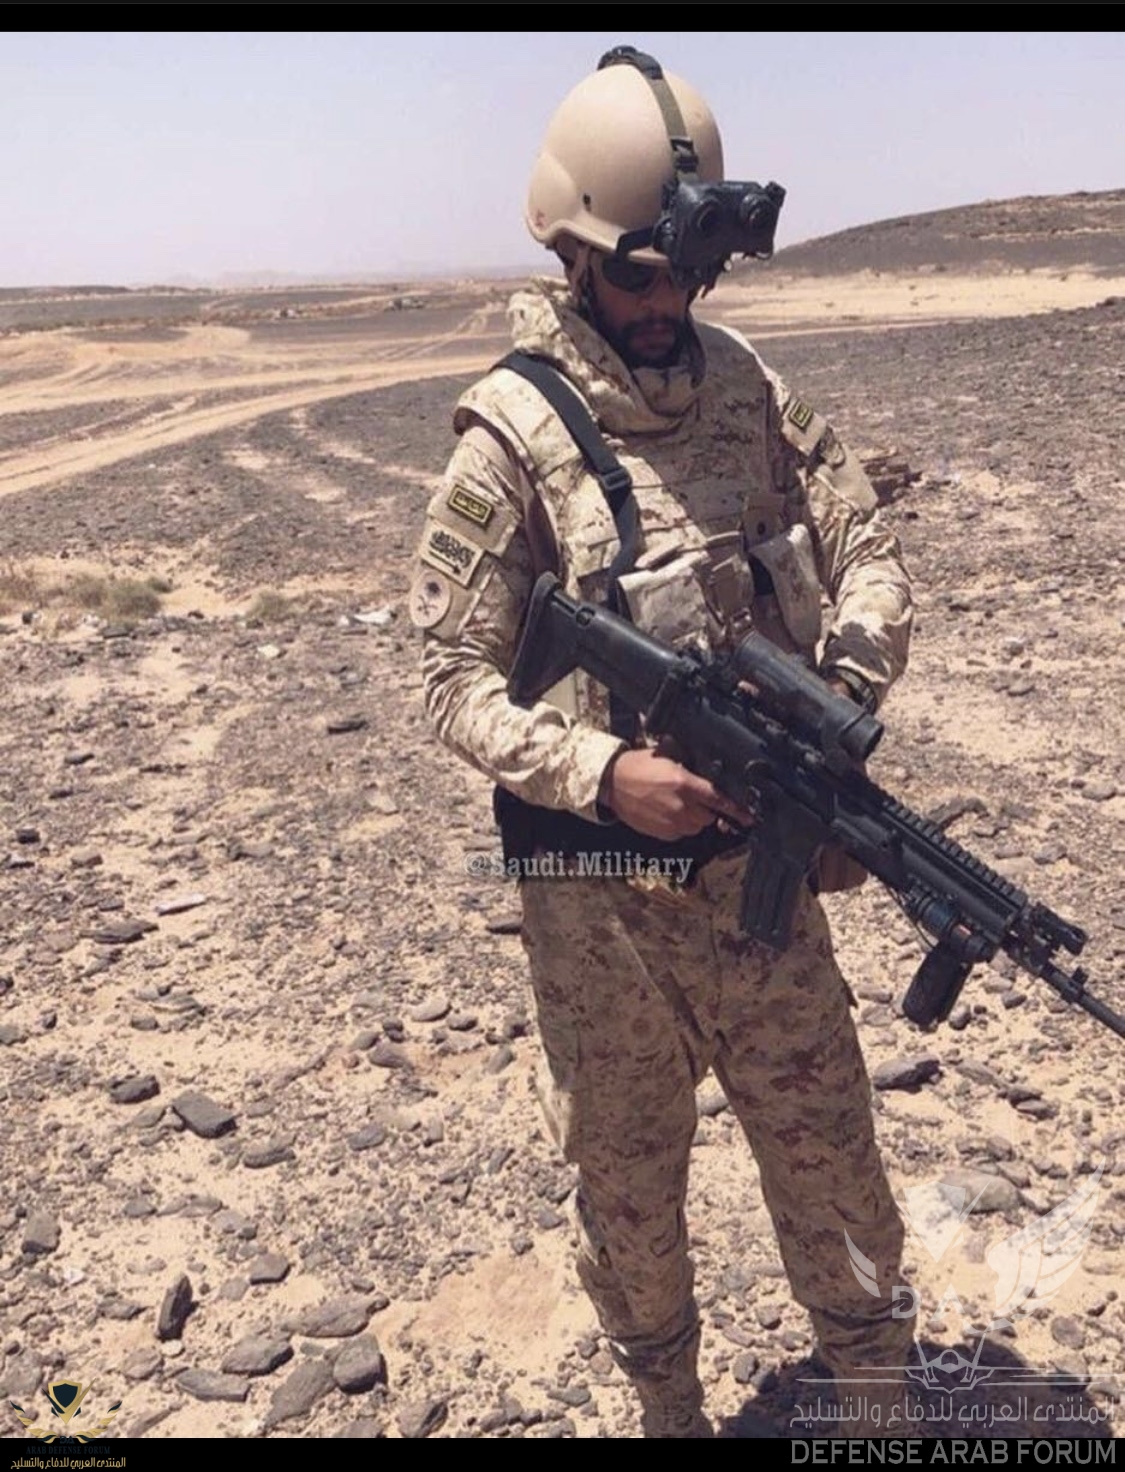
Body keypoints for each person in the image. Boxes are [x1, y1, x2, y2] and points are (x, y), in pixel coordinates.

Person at [410, 45, 915, 1438]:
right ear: (572, 254)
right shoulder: (509, 436)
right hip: (599, 913)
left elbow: (866, 547)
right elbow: (446, 682)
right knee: (629, 1197)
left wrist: (841, 698)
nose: (666, 305)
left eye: (689, 276)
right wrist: (601, 775)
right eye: (638, 276)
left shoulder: (745, 388)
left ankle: (881, 1406)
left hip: (762, 887)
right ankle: (668, 1414)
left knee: (837, 1173)